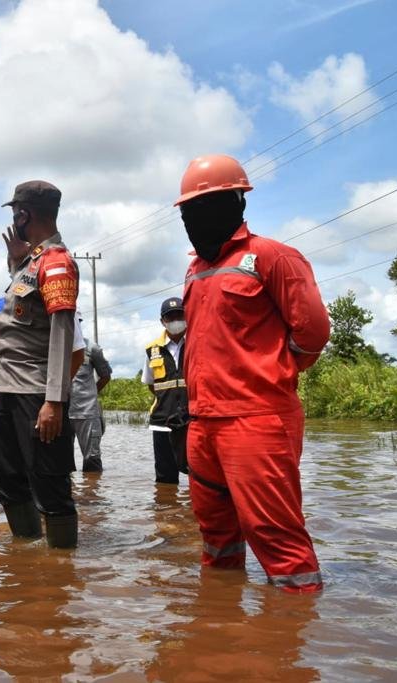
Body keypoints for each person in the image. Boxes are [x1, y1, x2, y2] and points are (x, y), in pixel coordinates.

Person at [176, 154, 330, 592]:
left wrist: (270, 371)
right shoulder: (195, 270)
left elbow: (313, 333)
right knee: (216, 538)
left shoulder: (273, 257)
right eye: (189, 211)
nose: (195, 218)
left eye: (206, 207)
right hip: (203, 421)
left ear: (239, 204)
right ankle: (222, 627)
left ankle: (293, 626)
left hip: (257, 418)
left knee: (275, 534)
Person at [0, 180, 80, 548]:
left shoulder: (57, 262)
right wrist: (15, 260)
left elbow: (62, 333)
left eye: (17, 213)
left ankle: (61, 571)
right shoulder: (30, 263)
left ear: (25, 214)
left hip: (36, 394)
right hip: (7, 392)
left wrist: (54, 401)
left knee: (49, 483)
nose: (15, 219)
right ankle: (26, 561)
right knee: (9, 481)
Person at [0, 312, 87, 516]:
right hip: (2, 397)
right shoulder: (5, 302)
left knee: (46, 475)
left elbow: (76, 354)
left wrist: (53, 398)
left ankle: (54, 539)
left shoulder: (52, 290)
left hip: (37, 395)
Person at [141, 297, 188, 485]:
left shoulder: (198, 343)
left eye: (179, 315)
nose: (175, 320)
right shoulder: (152, 350)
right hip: (162, 421)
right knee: (165, 481)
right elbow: (151, 384)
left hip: (193, 420)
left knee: (201, 476)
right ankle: (166, 514)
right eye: (170, 317)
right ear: (162, 321)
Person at [68, 311, 112, 473]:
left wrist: (91, 394)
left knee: (92, 461)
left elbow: (105, 376)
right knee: (62, 462)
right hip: (62, 412)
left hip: (87, 413)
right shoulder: (54, 348)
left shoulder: (92, 349)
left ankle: (92, 496)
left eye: (75, 322)